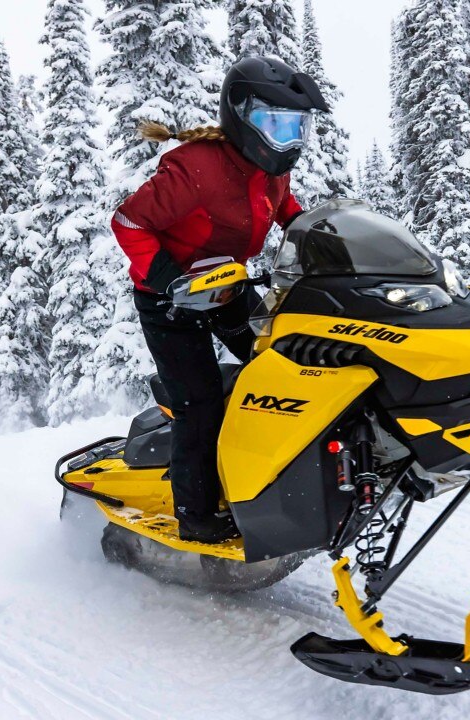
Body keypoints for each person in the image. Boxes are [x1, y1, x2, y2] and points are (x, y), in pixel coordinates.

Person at [110, 57, 329, 544]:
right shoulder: (193, 169)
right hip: (170, 300)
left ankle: (267, 475)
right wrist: (170, 279)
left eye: (297, 126)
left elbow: (289, 214)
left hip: (225, 286)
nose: (289, 138)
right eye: (277, 124)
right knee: (200, 402)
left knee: (283, 364)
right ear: (242, 115)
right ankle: (197, 516)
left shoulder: (268, 169)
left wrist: (328, 243)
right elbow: (127, 221)